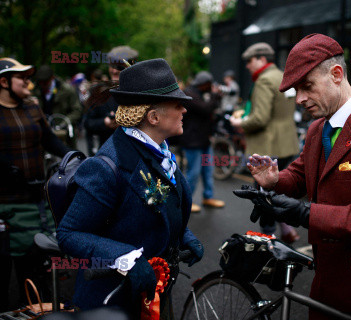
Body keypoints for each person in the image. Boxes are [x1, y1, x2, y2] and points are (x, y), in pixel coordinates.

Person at [237, 34, 351, 320]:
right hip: (326, 280)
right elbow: (301, 175)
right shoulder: (317, 129)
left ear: (336, 74)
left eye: (306, 86)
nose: (300, 99)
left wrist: (306, 213)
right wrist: (273, 181)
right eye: (296, 90)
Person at [56, 58, 204, 319]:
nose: (185, 111)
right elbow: (69, 234)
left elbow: (157, 208)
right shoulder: (107, 165)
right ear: (154, 117)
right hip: (112, 302)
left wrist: (182, 234)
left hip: (152, 294)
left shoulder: (160, 153)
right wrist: (125, 256)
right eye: (178, 105)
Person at [0, 58, 69, 311]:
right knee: (5, 267)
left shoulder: (32, 107)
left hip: (36, 198)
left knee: (34, 264)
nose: (29, 82)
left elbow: (50, 140)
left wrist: (73, 157)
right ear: (4, 82)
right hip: (5, 204)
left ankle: (32, 309)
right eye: (23, 78)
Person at [230, 42, 299, 243]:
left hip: (268, 145)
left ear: (261, 59)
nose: (247, 66)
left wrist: (239, 122)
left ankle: (269, 239)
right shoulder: (282, 76)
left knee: (263, 195)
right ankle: (286, 229)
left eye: (249, 61)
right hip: (287, 143)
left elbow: (260, 118)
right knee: (277, 189)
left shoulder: (264, 80)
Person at [180, 71, 225, 213]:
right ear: (204, 84)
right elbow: (205, 109)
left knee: (207, 170)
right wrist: (215, 96)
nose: (211, 87)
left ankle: (208, 197)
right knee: (193, 172)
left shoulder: (199, 93)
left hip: (204, 139)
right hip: (192, 140)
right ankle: (185, 202)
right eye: (209, 85)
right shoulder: (190, 94)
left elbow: (210, 113)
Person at [84, 46, 138, 155]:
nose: (114, 70)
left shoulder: (140, 90)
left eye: (119, 66)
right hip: (107, 155)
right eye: (111, 66)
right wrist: (105, 122)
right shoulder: (98, 92)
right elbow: (88, 123)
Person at [34, 65, 83, 146]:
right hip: (43, 134)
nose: (42, 85)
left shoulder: (67, 90)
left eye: (45, 82)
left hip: (64, 135)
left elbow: (77, 110)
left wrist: (65, 123)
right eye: (40, 82)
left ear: (52, 78)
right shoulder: (35, 90)